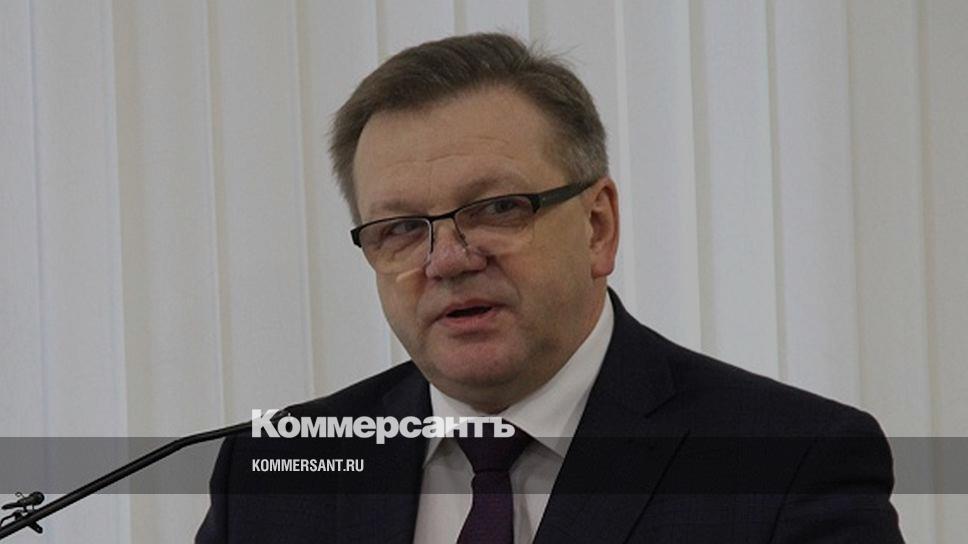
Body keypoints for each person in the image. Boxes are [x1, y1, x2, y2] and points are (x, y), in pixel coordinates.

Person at [197, 33, 903, 543]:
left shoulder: (790, 463)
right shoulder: (271, 475)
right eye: (402, 228)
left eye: (497, 208)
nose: (448, 259)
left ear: (598, 227)